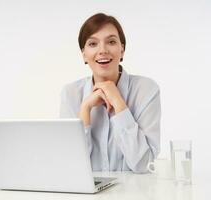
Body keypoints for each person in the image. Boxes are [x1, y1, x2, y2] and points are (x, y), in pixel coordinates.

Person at [60, 13, 161, 173]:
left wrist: (119, 103)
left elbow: (144, 165)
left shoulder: (146, 89)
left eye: (111, 42)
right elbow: (71, 167)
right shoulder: (71, 94)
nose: (103, 50)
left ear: (122, 50)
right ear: (84, 54)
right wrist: (85, 109)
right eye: (93, 44)